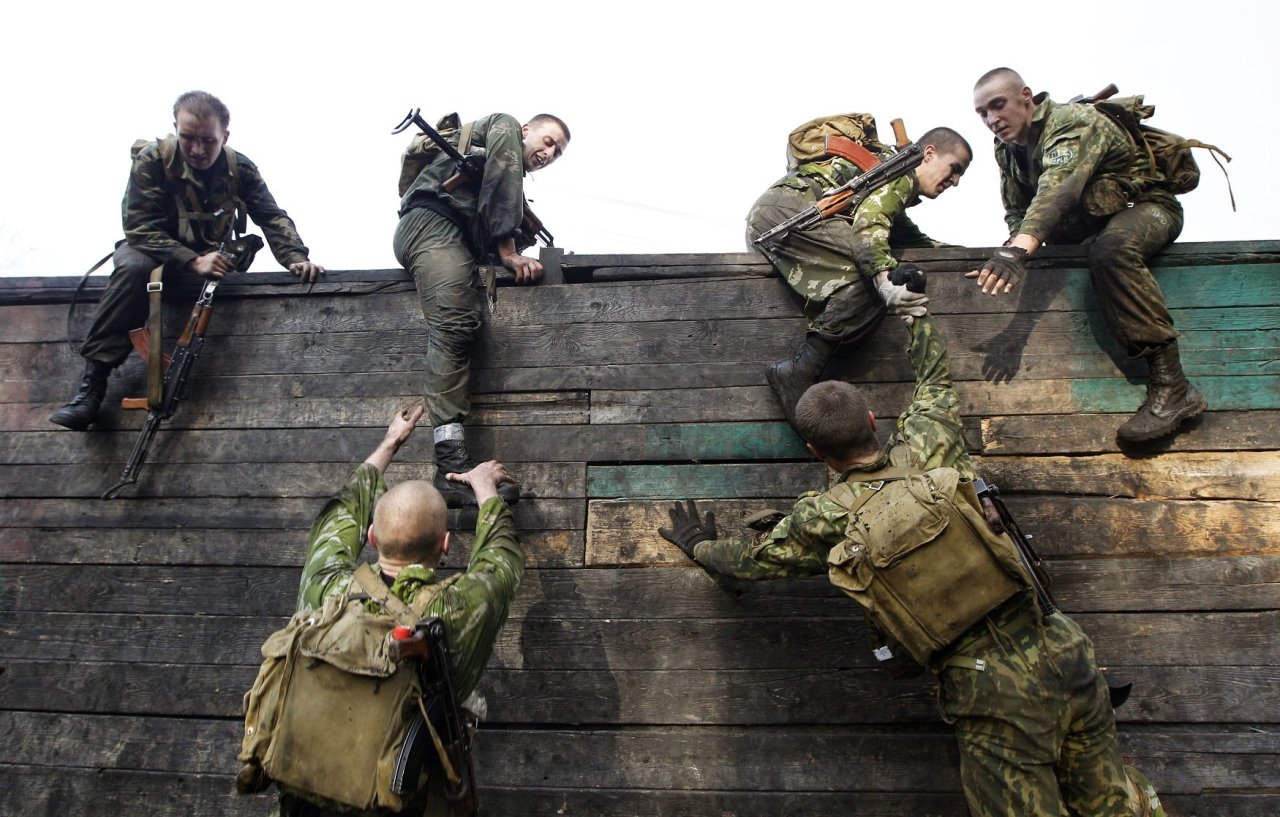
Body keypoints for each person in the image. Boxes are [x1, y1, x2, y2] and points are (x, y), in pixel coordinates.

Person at [657, 304, 1164, 817]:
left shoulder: (825, 518)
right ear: (874, 420)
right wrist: (914, 314)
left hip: (992, 694)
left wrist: (699, 544)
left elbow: (749, 560)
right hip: (1065, 648)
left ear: (815, 451)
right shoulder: (930, 446)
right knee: (1115, 807)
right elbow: (935, 378)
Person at [285, 402, 524, 816]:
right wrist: (484, 487)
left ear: (372, 537)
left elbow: (339, 516)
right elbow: (499, 562)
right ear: (446, 545)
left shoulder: (326, 587)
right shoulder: (451, 612)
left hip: (308, 797)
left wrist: (391, 442)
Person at [48, 90, 324, 431]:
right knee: (133, 269)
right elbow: (138, 227)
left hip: (210, 258)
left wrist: (295, 257)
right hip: (152, 251)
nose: (197, 149)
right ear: (175, 129)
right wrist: (192, 261)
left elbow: (270, 215)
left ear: (224, 136)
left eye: (208, 140)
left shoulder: (240, 168)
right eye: (188, 138)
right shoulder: (152, 161)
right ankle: (91, 389)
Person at [968, 67, 1205, 444]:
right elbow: (1017, 209)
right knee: (1062, 257)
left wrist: (1016, 251)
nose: (992, 119)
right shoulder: (1008, 149)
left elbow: (1058, 190)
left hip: (1146, 207)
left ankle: (1174, 387)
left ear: (1026, 97)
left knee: (1111, 250)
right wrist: (1013, 250)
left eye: (998, 106)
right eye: (982, 113)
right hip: (1089, 225)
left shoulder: (1070, 123)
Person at [394, 112, 570, 507]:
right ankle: (451, 465)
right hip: (433, 224)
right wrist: (509, 252)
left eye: (556, 152)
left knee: (465, 325)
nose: (549, 153)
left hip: (455, 237)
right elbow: (502, 178)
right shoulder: (505, 125)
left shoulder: (506, 177)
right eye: (547, 141)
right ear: (527, 130)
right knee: (455, 325)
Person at [747, 124, 971, 426]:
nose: (955, 182)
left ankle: (802, 369)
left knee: (874, 271)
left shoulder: (889, 178)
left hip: (777, 214)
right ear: (929, 154)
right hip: (790, 215)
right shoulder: (900, 176)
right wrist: (884, 283)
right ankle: (798, 371)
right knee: (873, 276)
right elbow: (868, 229)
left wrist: (978, 255)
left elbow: (917, 242)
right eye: (954, 168)